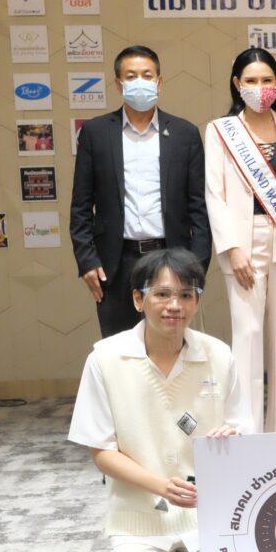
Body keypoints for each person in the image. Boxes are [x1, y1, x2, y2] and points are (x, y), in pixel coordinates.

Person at [67, 248, 253, 552]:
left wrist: (233, 437)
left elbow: (242, 427)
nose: (175, 306)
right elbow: (102, 452)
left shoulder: (218, 355)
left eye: (186, 295)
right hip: (140, 513)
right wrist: (160, 486)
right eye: (163, 294)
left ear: (197, 301)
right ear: (139, 299)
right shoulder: (106, 359)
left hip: (209, 511)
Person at [70, 45, 211, 338]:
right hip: (116, 264)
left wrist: (196, 267)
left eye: (147, 75)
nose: (140, 82)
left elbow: (199, 208)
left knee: (171, 345)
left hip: (171, 259)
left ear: (159, 82)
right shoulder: (96, 133)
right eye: (131, 76)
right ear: (118, 84)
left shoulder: (184, 134)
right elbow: (81, 206)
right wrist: (87, 261)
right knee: (120, 350)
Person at [205, 47, 276, 433]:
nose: (260, 87)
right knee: (247, 339)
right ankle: (246, 434)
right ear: (237, 84)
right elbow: (214, 194)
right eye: (251, 80)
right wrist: (231, 249)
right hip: (242, 245)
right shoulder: (220, 131)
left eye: (267, 79)